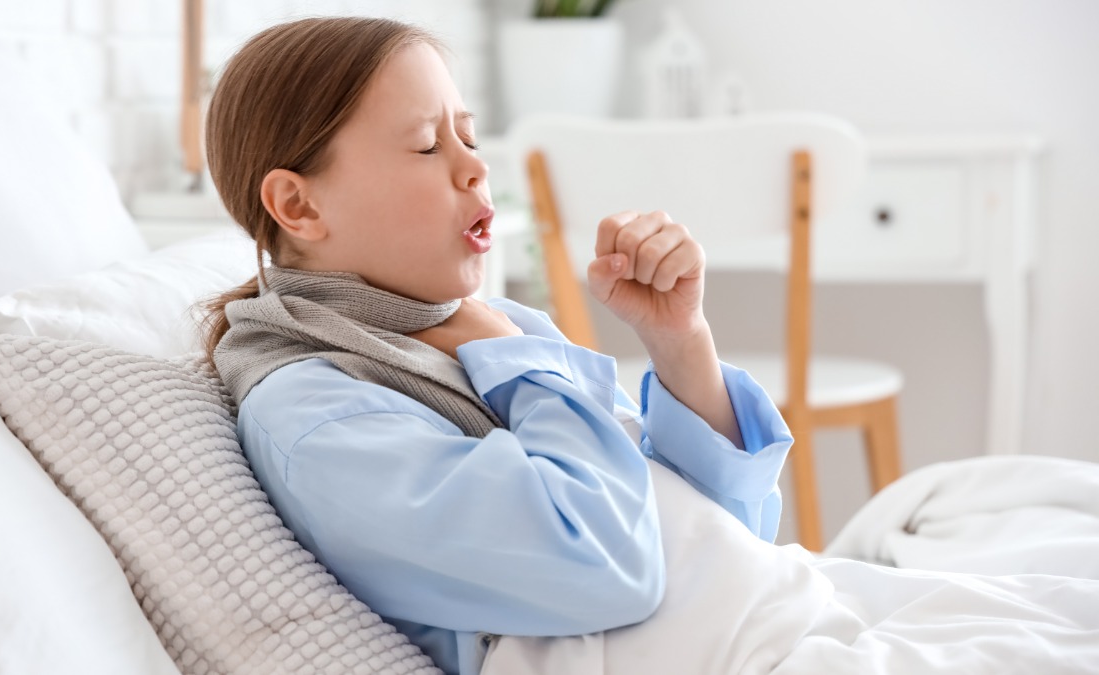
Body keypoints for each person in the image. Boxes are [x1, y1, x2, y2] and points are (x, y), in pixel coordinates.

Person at [201, 16, 792, 675]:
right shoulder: (315, 413)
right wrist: (519, 362)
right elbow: (613, 563)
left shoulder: (488, 326)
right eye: (428, 146)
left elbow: (723, 531)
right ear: (299, 206)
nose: (476, 166)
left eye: (470, 135)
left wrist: (680, 340)